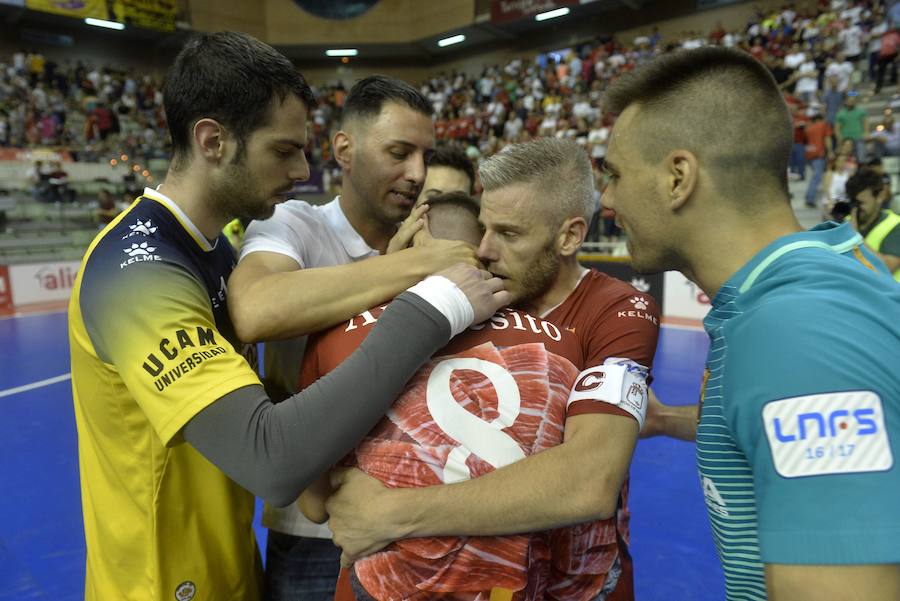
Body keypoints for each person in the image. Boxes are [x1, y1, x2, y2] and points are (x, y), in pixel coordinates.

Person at [67, 32, 508, 601]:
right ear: (213, 141)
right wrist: (432, 303)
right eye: (283, 150)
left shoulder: (214, 253)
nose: (303, 168)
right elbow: (270, 459)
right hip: (156, 582)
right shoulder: (139, 271)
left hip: (226, 565)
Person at [603, 46, 900, 601]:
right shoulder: (801, 284)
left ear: (677, 178)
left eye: (615, 174)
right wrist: (670, 421)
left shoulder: (796, 329)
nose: (607, 198)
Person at [322, 138, 661, 600]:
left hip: (565, 583)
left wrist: (392, 513)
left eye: (510, 233)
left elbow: (588, 480)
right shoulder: (460, 291)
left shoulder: (618, 310)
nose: (483, 250)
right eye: (484, 227)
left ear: (570, 236)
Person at [228, 76, 482, 600]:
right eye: (399, 152)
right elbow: (255, 308)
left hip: (418, 523)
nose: (416, 173)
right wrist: (414, 266)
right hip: (312, 532)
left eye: (425, 155)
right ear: (344, 148)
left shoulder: (436, 241)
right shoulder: (294, 224)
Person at [844, 167, 900, 279]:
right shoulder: (847, 222)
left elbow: (887, 268)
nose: (857, 208)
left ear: (880, 197)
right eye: (853, 202)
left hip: (889, 294)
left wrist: (855, 237)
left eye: (861, 203)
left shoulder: (895, 225)